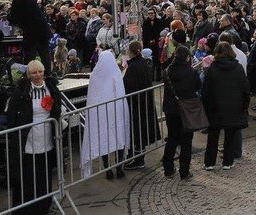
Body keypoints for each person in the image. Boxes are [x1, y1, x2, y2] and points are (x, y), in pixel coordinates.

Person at [5, 60, 61, 215]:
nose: (38, 75)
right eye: (34, 73)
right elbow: (11, 115)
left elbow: (57, 109)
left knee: (44, 175)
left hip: (47, 138)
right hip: (28, 142)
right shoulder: (21, 92)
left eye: (40, 72)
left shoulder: (51, 88)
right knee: (28, 177)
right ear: (29, 75)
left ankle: (44, 207)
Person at [80, 50, 129, 179]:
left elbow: (93, 96)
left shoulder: (95, 75)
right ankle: (118, 167)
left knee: (104, 139)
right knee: (118, 137)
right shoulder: (116, 73)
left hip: (100, 113)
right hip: (116, 111)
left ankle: (108, 168)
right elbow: (120, 92)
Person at [202, 42, 250, 171]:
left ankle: (209, 162)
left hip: (215, 106)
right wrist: (244, 106)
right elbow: (245, 89)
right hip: (234, 106)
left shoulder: (212, 69)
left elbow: (206, 90)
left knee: (213, 136)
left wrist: (205, 106)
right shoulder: (239, 68)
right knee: (230, 136)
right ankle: (227, 162)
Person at [161, 45, 200, 180]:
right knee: (186, 141)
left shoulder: (167, 71)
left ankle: (168, 168)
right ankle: (184, 171)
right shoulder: (192, 72)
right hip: (186, 109)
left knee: (172, 138)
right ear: (187, 57)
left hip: (171, 109)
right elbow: (197, 86)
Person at [122, 40, 160, 170]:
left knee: (137, 132)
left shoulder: (134, 66)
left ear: (131, 52)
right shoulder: (142, 63)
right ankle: (137, 157)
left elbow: (129, 85)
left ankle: (138, 159)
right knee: (140, 132)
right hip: (143, 103)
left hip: (137, 105)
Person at [7, 0, 51, 73]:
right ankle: (48, 74)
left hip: (31, 32)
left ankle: (29, 74)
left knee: (30, 56)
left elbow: (15, 18)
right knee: (45, 54)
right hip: (42, 30)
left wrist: (8, 17)